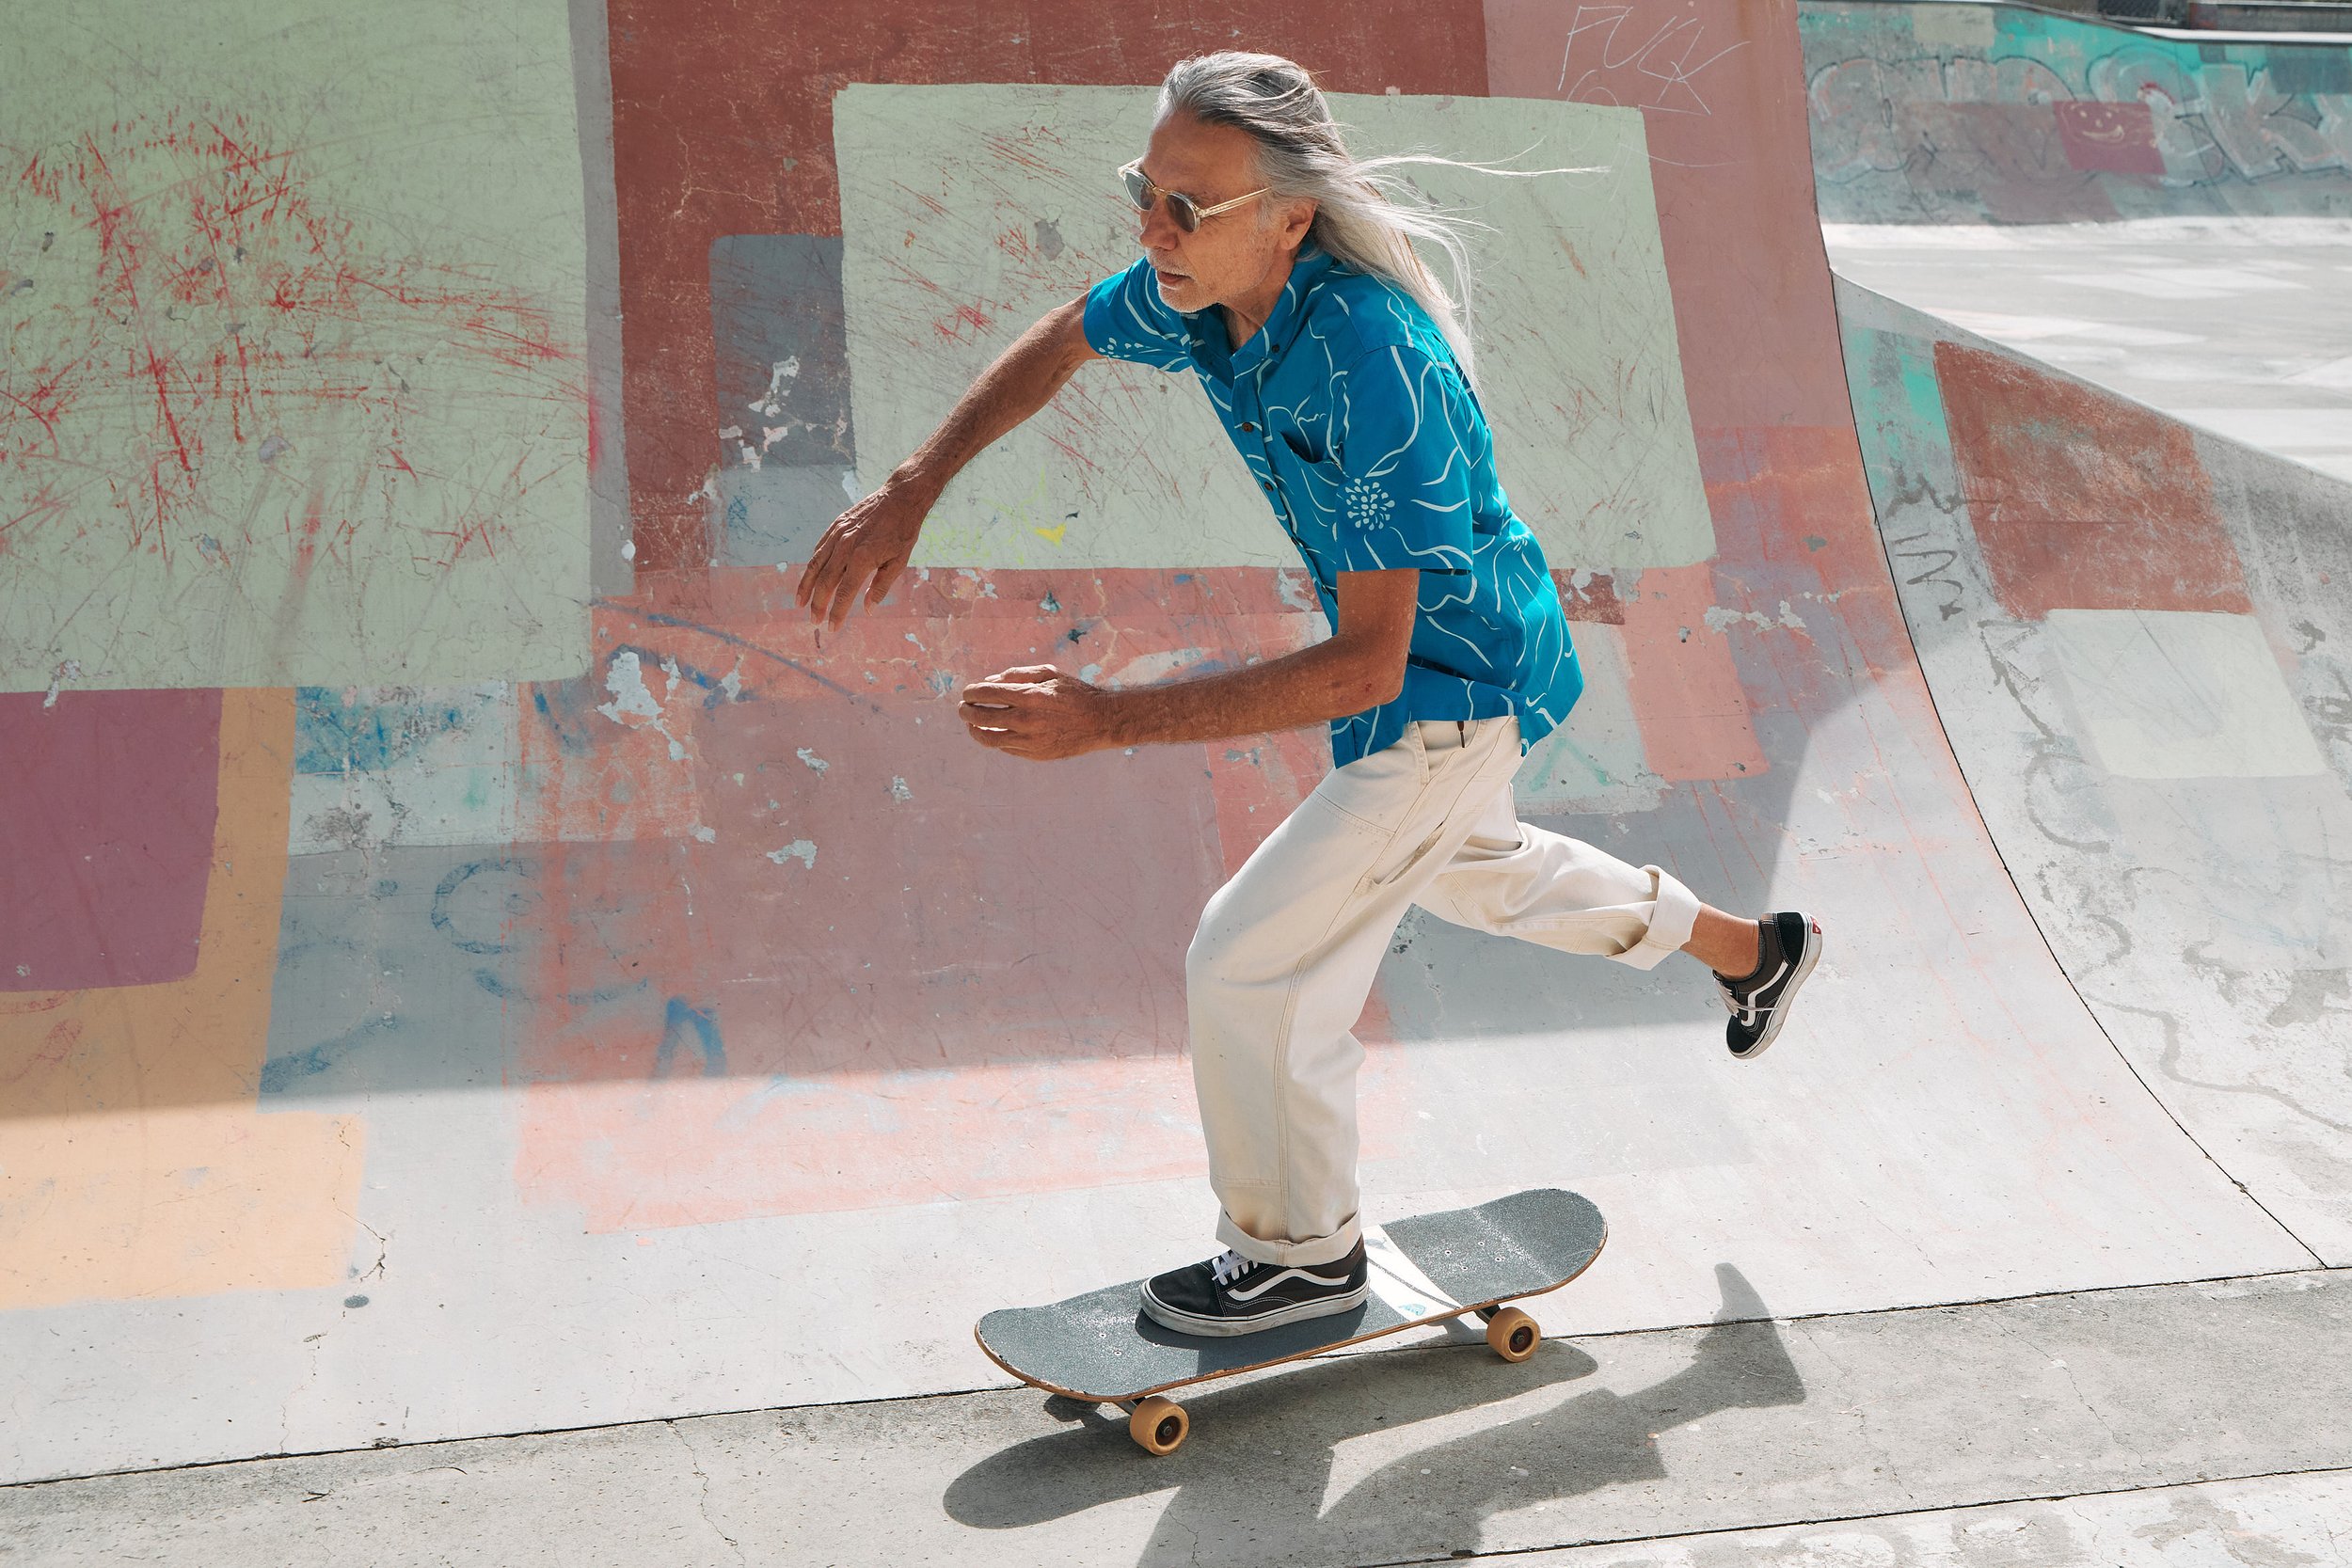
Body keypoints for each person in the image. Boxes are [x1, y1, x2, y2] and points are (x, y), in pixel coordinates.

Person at [796, 52, 1823, 1338]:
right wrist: (913, 489)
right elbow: (1065, 335)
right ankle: (1754, 951)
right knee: (1475, 870)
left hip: (1453, 686)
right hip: (1461, 649)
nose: (1153, 231)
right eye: (1145, 192)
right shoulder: (1202, 289)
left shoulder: (1371, 363)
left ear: (1289, 217)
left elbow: (1368, 668)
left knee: (1251, 961)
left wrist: (1108, 719)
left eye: (1189, 207)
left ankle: (1299, 1256)